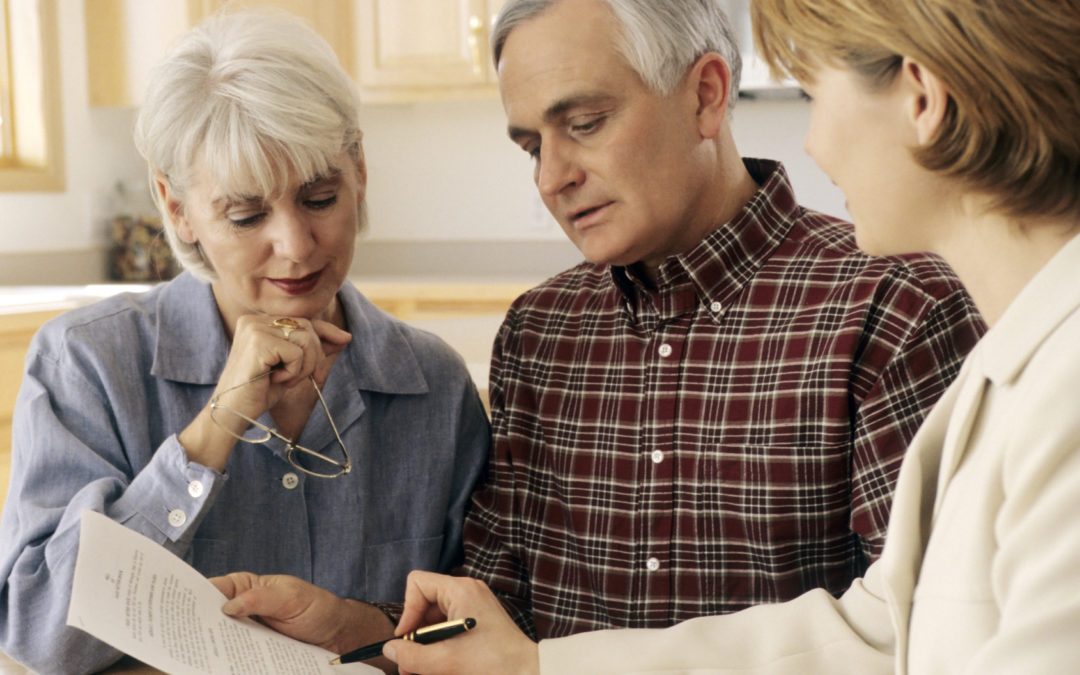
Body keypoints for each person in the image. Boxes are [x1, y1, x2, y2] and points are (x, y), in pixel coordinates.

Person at [212, 0, 987, 659]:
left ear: (706, 96)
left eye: (583, 123)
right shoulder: (540, 331)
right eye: (531, 146)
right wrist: (353, 625)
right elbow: (490, 627)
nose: (552, 177)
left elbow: (924, 637)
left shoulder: (893, 307)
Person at [0, 10, 489, 675]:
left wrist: (356, 629)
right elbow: (40, 638)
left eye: (320, 197)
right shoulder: (87, 365)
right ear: (176, 208)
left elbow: (485, 639)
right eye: (246, 213)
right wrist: (215, 427)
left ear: (360, 171)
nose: (294, 246)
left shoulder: (436, 386)